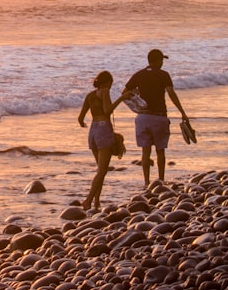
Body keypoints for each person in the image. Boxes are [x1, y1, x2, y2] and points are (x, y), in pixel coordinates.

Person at [123, 48, 189, 187]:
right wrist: (182, 112)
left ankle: (146, 183)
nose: (162, 63)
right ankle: (160, 181)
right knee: (160, 151)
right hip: (159, 117)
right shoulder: (164, 75)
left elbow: (125, 93)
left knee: (145, 152)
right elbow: (171, 93)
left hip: (143, 117)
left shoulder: (139, 75)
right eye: (161, 60)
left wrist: (138, 94)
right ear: (158, 61)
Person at [77, 70, 131, 210]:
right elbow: (108, 111)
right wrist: (122, 98)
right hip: (103, 129)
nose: (110, 87)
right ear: (107, 82)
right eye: (110, 83)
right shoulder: (105, 91)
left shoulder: (89, 95)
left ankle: (97, 202)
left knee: (100, 171)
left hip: (93, 131)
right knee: (102, 171)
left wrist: (84, 122)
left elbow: (80, 118)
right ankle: (88, 201)